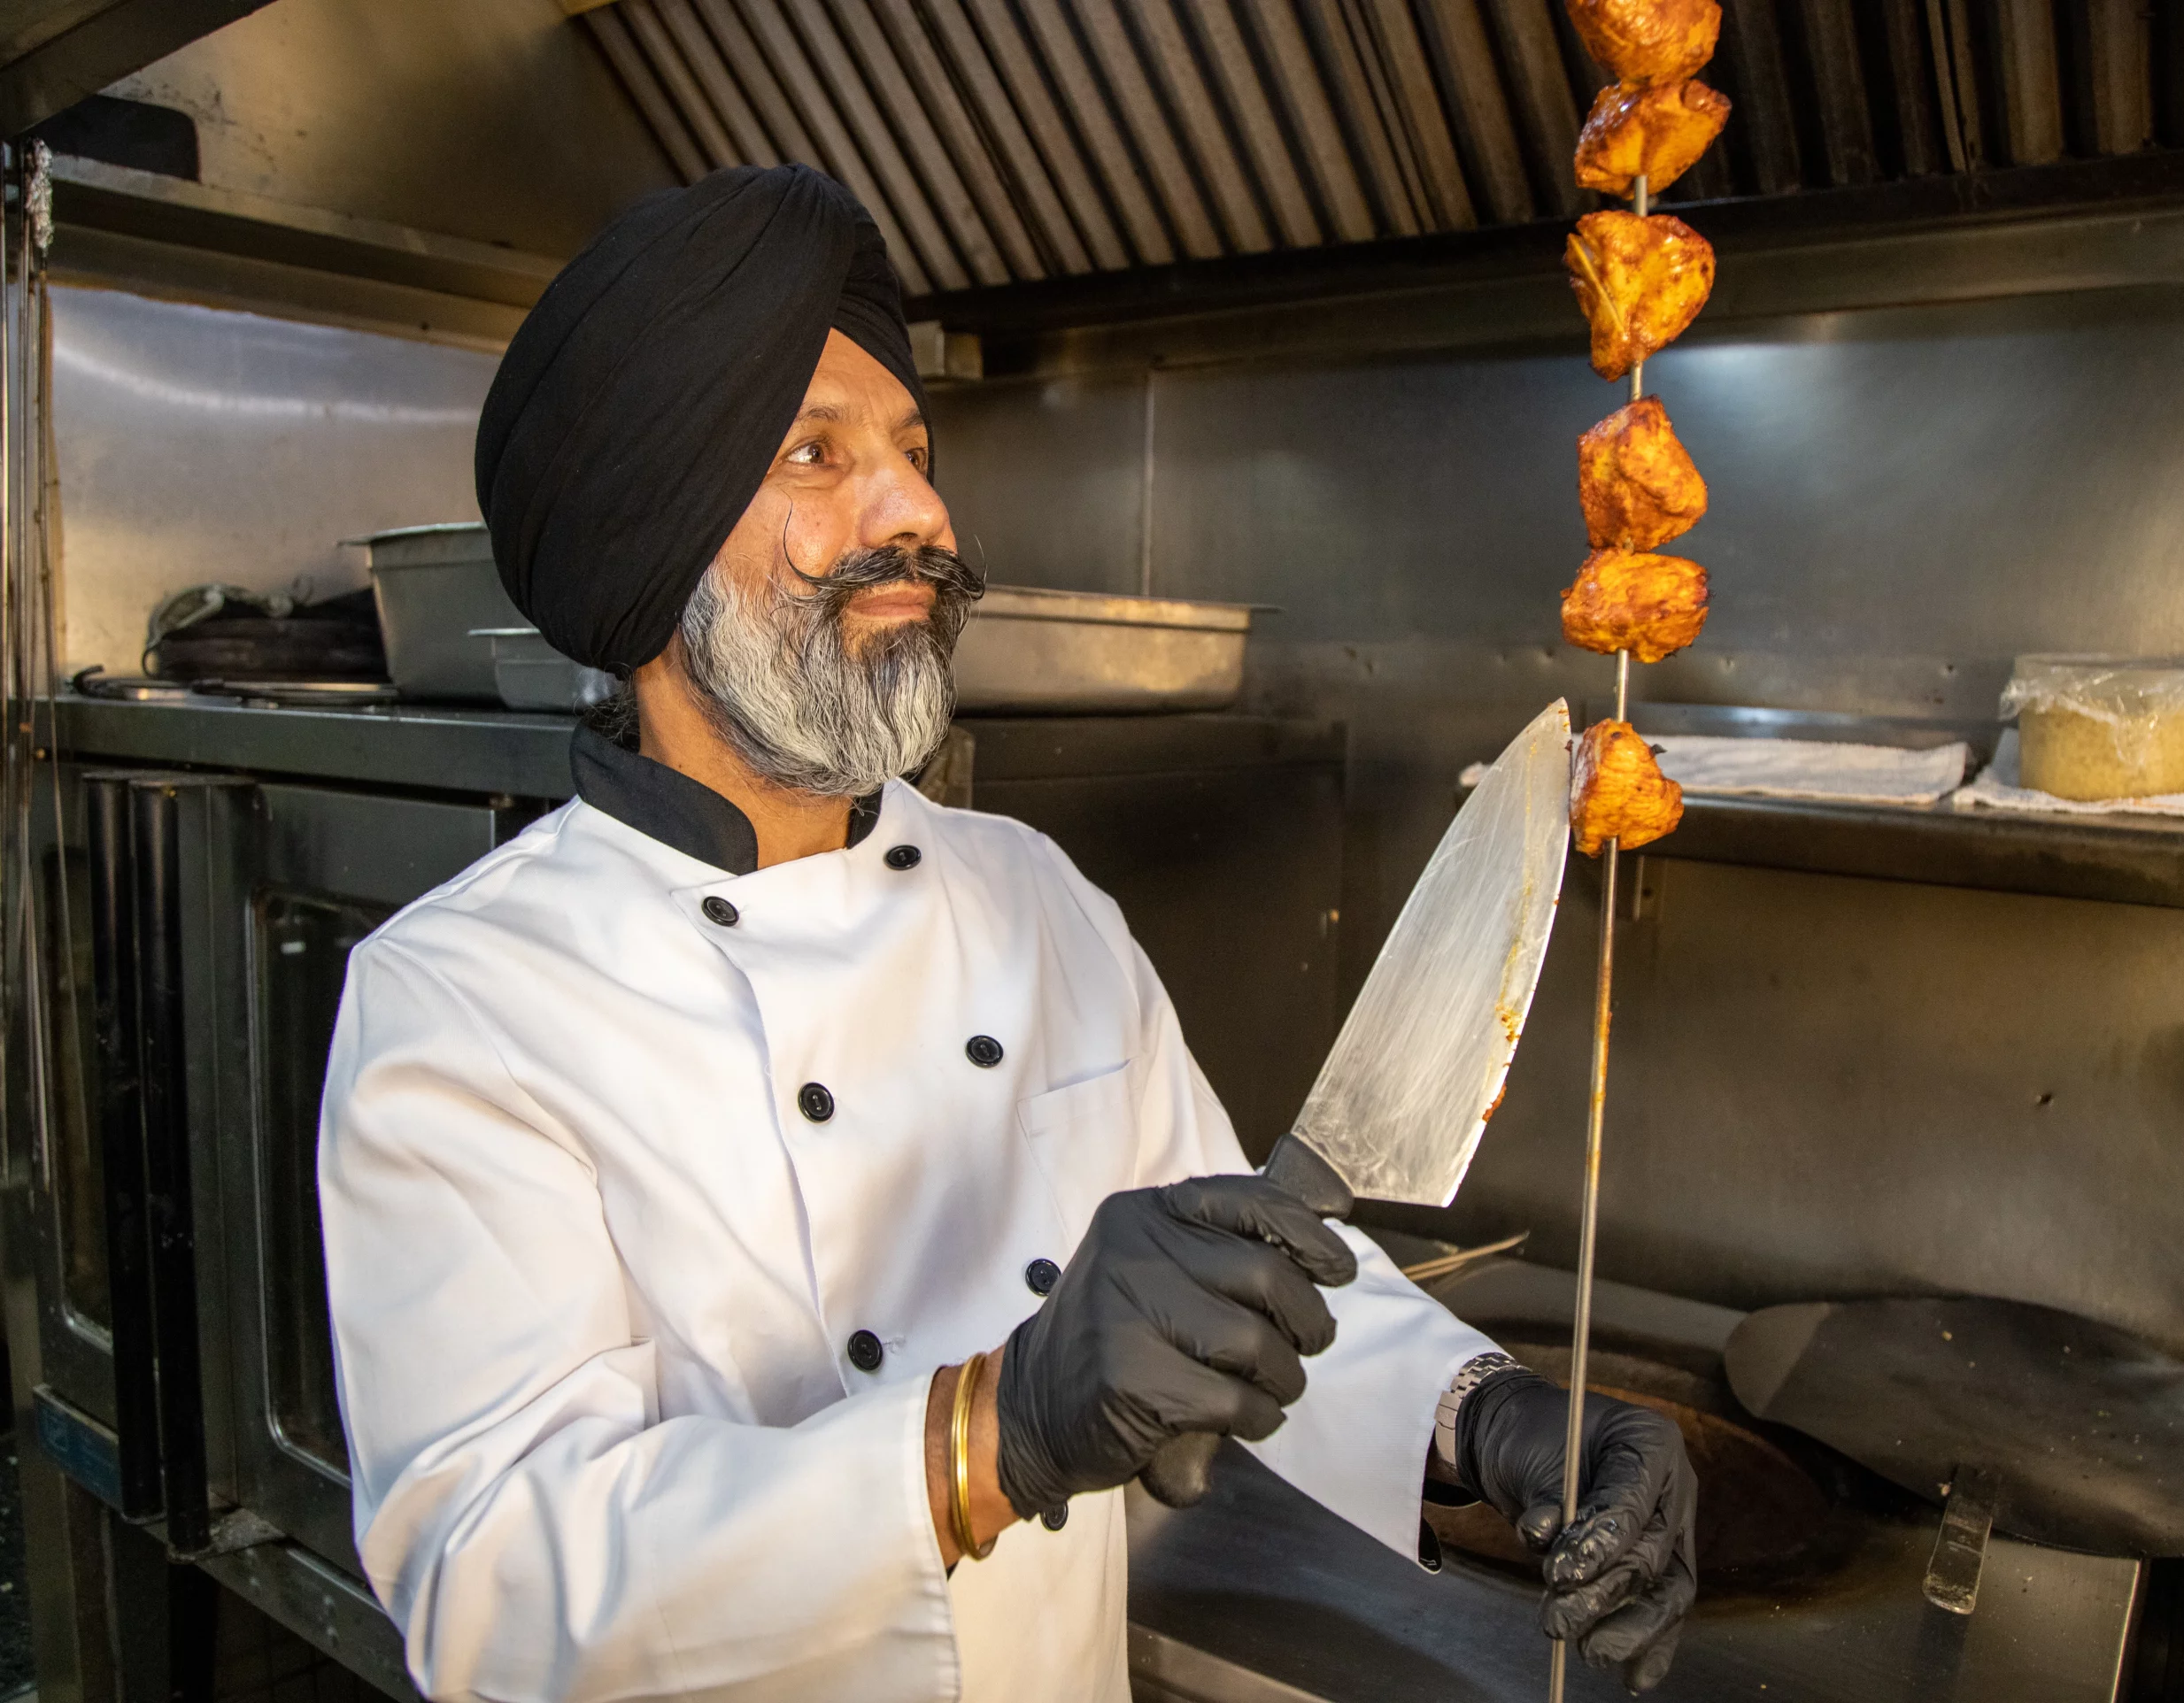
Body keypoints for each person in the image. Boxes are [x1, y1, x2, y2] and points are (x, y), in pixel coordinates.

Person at [318, 164, 1696, 1703]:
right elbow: (490, 1591)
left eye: (912, 450)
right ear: (649, 554)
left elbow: (1233, 1267)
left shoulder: (1028, 892)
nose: (917, 511)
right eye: (812, 455)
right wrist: (996, 1430)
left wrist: (1481, 1417)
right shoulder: (462, 1004)